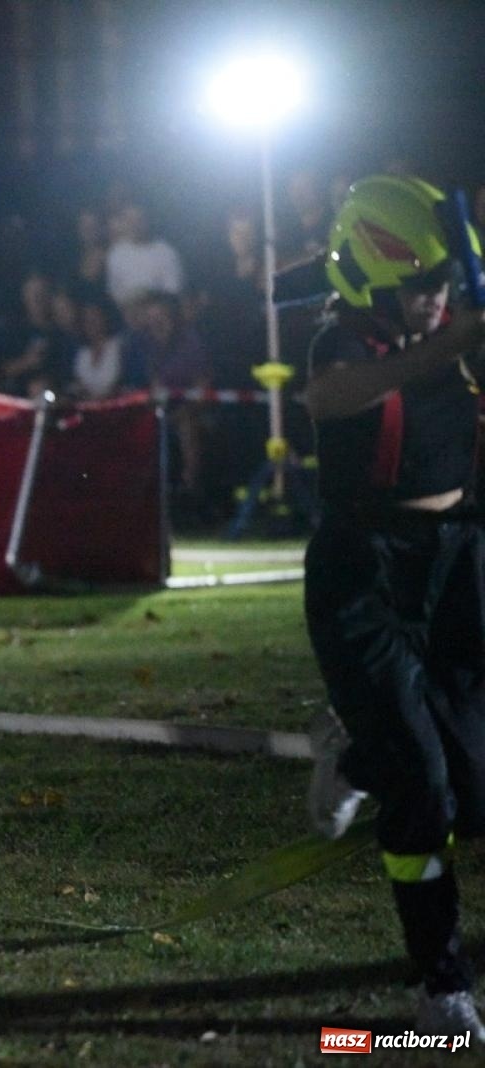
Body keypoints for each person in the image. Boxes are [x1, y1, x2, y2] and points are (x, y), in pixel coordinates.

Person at [304, 175, 485, 1039]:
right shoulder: (341, 343)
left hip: (454, 565)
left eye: (446, 282)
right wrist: (452, 343)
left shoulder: (455, 333)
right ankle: (440, 982)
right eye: (421, 284)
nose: (437, 299)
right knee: (425, 788)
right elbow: (335, 397)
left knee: (475, 780)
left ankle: (358, 756)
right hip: (363, 574)